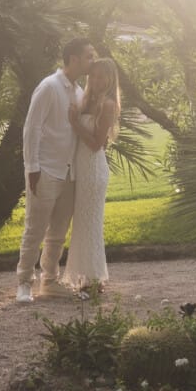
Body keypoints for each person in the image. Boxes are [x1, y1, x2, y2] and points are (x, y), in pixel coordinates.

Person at [15, 38, 96, 303]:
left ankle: (49, 281)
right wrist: (32, 168)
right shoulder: (49, 87)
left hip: (70, 173)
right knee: (35, 229)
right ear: (74, 58)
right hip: (46, 170)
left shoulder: (79, 91)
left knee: (59, 231)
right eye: (89, 57)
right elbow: (32, 128)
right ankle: (24, 283)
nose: (92, 62)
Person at [62, 57, 120, 292]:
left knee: (90, 224)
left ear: (110, 79)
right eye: (92, 75)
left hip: (93, 170)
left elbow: (97, 144)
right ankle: (85, 277)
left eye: (101, 76)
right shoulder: (87, 100)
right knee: (82, 224)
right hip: (81, 168)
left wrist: (75, 124)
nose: (95, 80)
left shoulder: (107, 104)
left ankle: (94, 279)